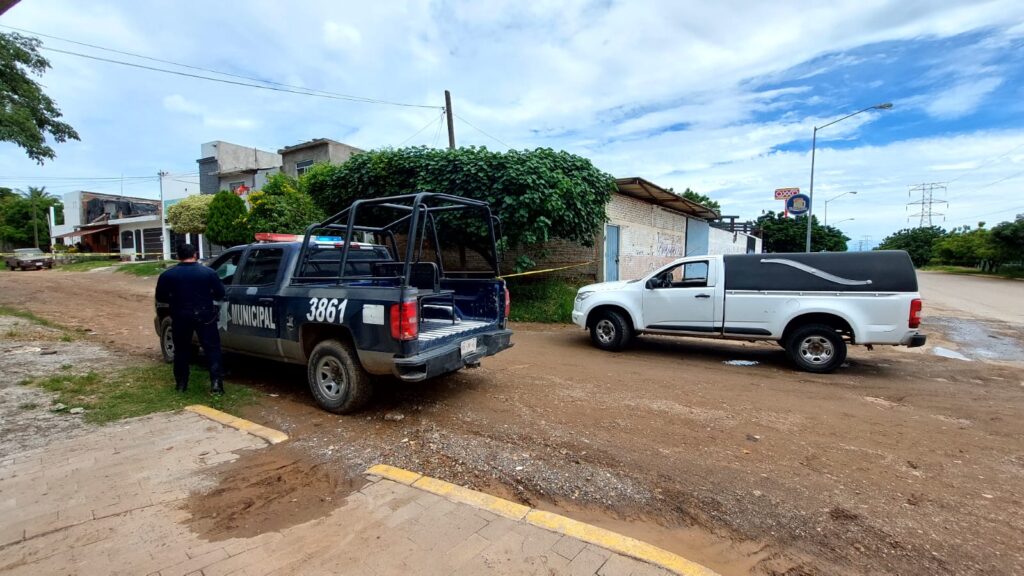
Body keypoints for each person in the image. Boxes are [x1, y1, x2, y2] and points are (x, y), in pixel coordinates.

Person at [155, 243, 226, 394]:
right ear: (195, 254)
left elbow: (161, 297)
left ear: (178, 257)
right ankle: (216, 384)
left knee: (181, 350)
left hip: (180, 315)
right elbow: (220, 293)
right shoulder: (209, 273)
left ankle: (181, 384)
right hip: (205, 315)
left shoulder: (168, 275)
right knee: (212, 349)